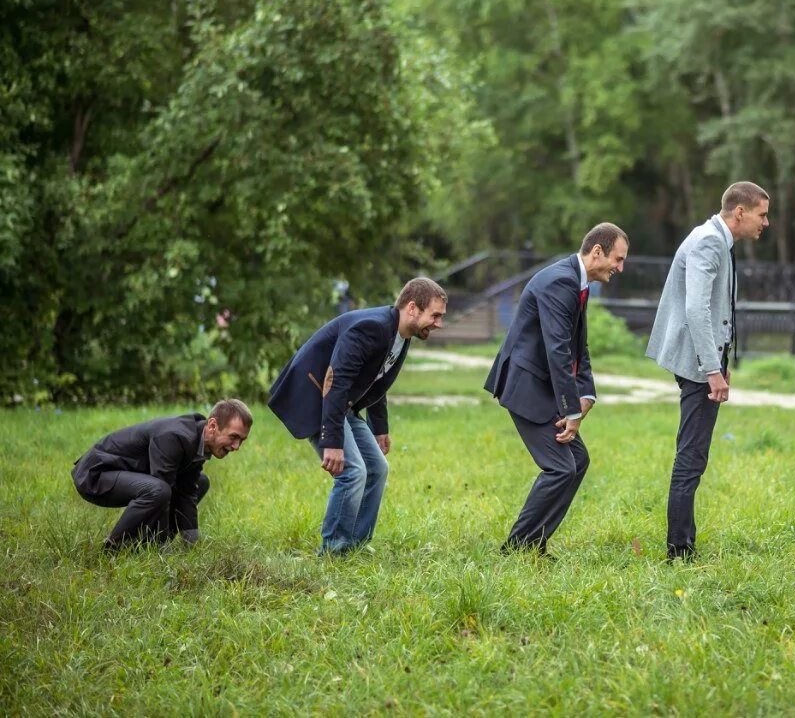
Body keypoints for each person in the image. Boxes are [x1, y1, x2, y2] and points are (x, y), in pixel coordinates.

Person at [268, 277, 447, 555]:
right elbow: (335, 381)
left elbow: (376, 378)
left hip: (341, 402)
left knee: (378, 468)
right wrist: (333, 441)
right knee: (352, 471)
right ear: (412, 308)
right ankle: (333, 551)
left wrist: (380, 429)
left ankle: (355, 546)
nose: (438, 323)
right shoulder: (371, 328)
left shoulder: (401, 334)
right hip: (318, 398)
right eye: (435, 315)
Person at [484, 223, 629, 557]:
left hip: (539, 384)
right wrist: (571, 410)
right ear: (597, 252)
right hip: (525, 386)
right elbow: (557, 350)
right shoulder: (560, 282)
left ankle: (533, 542)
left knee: (577, 460)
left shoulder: (576, 282)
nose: (619, 268)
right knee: (562, 466)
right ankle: (517, 547)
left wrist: (587, 393)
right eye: (617, 260)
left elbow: (579, 346)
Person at [647, 182, 769, 560]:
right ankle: (679, 549)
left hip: (707, 361)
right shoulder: (709, 241)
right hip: (697, 364)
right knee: (691, 456)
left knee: (694, 454)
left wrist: (722, 364)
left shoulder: (716, 239)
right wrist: (711, 369)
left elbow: (716, 312)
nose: (766, 222)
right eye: (762, 214)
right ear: (740, 212)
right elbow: (697, 310)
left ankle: (683, 541)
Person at [71, 399, 252, 550]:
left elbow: (187, 491)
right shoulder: (174, 436)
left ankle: (148, 545)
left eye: (241, 440)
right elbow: (162, 493)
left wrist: (192, 543)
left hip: (122, 476)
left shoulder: (199, 439)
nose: (236, 447)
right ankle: (114, 547)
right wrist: (163, 551)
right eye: (233, 437)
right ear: (212, 425)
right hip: (95, 475)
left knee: (200, 482)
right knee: (159, 490)